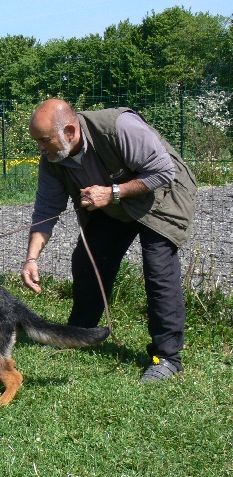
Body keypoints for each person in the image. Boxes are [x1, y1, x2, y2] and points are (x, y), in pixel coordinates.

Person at [21, 98, 197, 382]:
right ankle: (80, 332)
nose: (40, 148)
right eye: (38, 141)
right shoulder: (53, 159)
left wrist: (113, 192)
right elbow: (46, 210)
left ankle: (166, 357)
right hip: (114, 204)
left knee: (158, 271)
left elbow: (164, 172)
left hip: (162, 197)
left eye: (44, 140)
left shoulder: (119, 127)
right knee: (87, 261)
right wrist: (31, 259)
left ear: (69, 131)